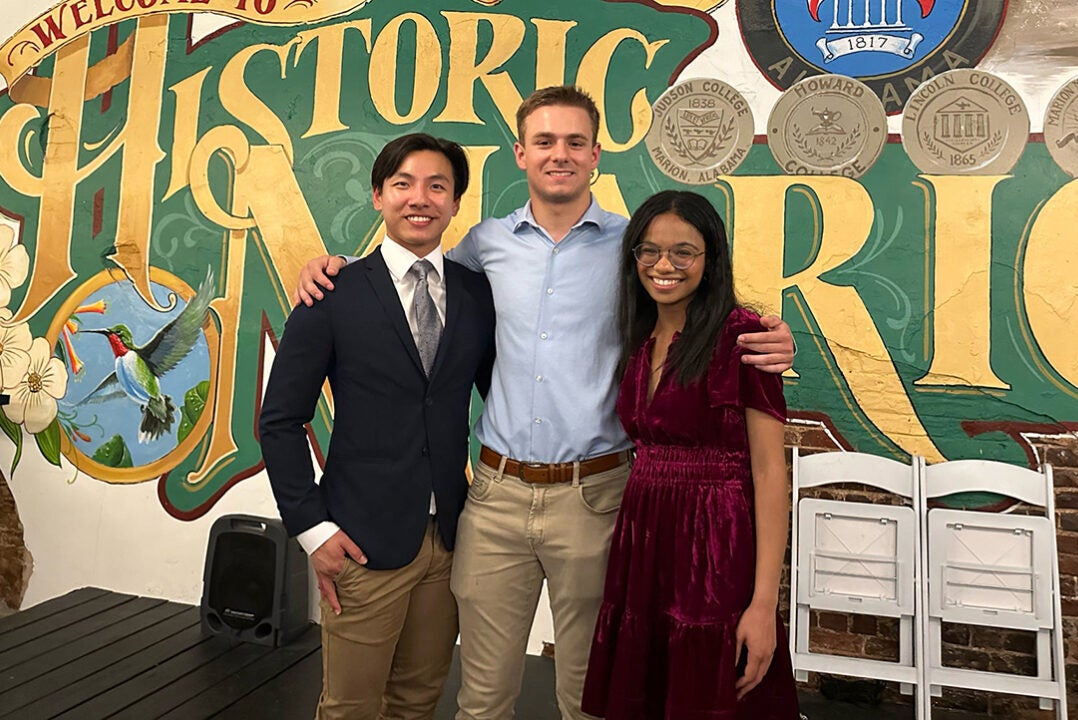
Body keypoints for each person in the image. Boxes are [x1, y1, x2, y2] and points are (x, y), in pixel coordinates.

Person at [295, 86, 795, 720]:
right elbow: (408, 278)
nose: (560, 154)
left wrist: (773, 335)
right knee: (480, 699)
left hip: (598, 496)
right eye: (545, 141)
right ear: (521, 154)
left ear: (595, 156)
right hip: (494, 499)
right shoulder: (483, 245)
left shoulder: (633, 247)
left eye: (575, 142)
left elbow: (700, 302)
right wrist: (328, 266)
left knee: (590, 696)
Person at [260, 133, 495, 720]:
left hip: (449, 540)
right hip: (361, 541)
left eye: (437, 185)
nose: (421, 198)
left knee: (417, 701)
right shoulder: (331, 293)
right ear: (377, 196)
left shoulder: (476, 293)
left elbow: (502, 392)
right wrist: (313, 530)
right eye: (403, 184)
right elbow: (280, 420)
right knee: (350, 707)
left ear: (456, 202)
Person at [581, 190, 799, 719]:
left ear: (711, 259)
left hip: (715, 547)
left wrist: (764, 603)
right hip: (643, 539)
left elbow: (770, 473)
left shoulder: (743, 337)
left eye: (684, 251)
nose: (664, 265)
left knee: (709, 694)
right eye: (649, 251)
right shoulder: (638, 336)